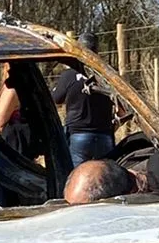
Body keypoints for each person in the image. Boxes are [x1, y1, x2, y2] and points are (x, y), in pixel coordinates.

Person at [51, 34, 119, 166]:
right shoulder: (108, 75)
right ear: (97, 51)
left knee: (77, 176)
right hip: (104, 134)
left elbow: (56, 98)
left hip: (78, 134)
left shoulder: (69, 75)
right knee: (105, 177)